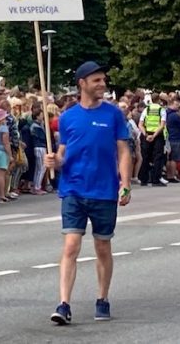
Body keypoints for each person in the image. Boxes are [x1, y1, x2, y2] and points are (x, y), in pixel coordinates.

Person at [45, 61, 131, 325]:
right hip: (73, 188)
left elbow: (123, 151)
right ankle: (63, 304)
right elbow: (63, 152)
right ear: (82, 83)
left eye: (103, 80)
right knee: (71, 245)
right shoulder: (68, 117)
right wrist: (54, 161)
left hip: (104, 190)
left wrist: (125, 183)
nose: (102, 84)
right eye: (97, 80)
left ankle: (102, 298)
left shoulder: (113, 115)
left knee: (102, 246)